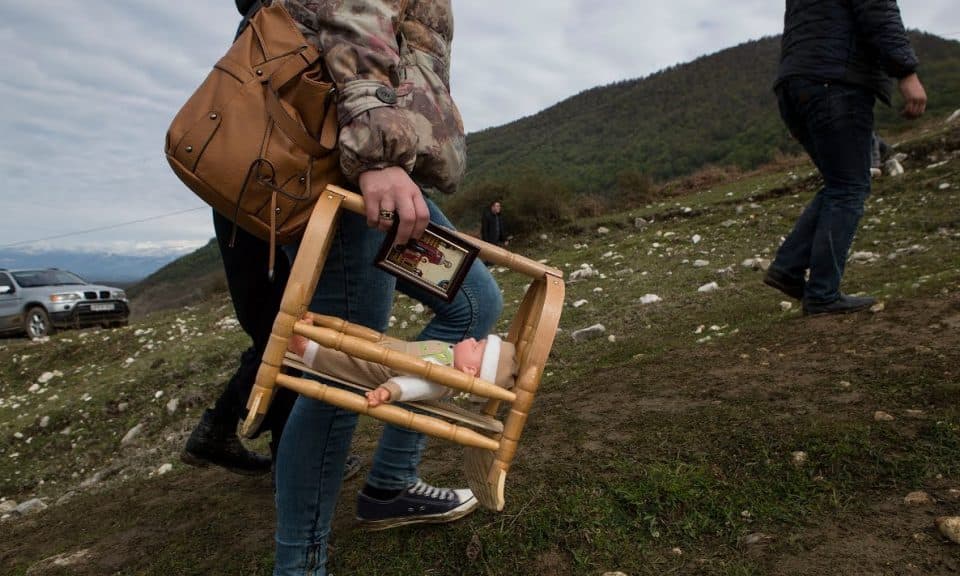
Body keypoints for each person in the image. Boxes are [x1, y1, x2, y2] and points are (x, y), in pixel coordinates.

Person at [267, 1, 504, 572]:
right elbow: (355, 12)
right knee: (343, 369)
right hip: (352, 169)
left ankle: (390, 485)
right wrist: (376, 156)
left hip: (370, 173)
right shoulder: (367, 158)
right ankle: (300, 564)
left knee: (473, 302)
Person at [763, 0, 926, 316]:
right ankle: (822, 293)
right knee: (849, 187)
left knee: (840, 183)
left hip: (794, 85)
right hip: (836, 84)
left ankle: (788, 269)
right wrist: (906, 72)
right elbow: (879, 12)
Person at [287, 313, 517, 407]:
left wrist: (390, 391)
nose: (472, 339)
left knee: (345, 361)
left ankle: (305, 348)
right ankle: (314, 338)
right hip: (386, 351)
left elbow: (416, 386)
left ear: (469, 370)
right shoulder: (449, 358)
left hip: (380, 369)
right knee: (351, 345)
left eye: (476, 346)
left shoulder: (443, 380)